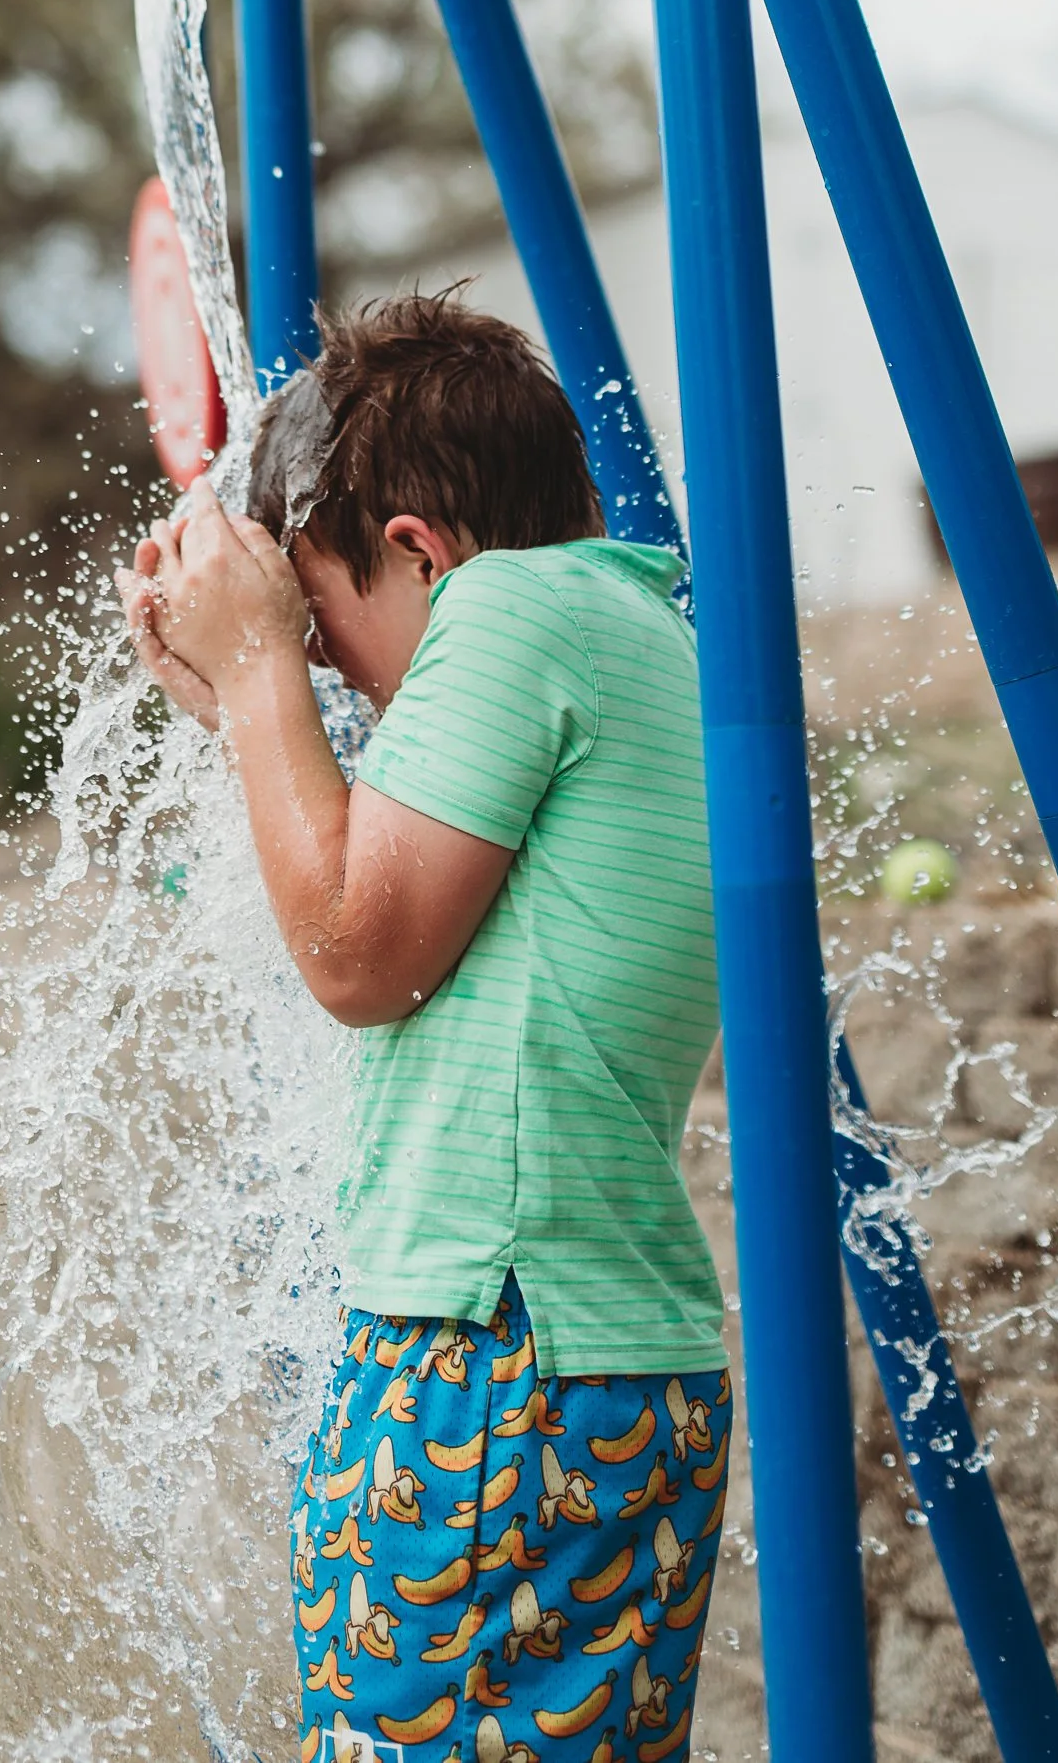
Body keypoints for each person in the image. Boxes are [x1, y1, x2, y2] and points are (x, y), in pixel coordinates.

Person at [117, 291, 729, 1763]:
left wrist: (258, 674)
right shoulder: (623, 618)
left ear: (416, 550)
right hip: (573, 1348)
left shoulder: (514, 607)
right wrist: (237, 704)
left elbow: (354, 949)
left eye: (323, 626)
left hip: (491, 1356)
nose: (329, 676)